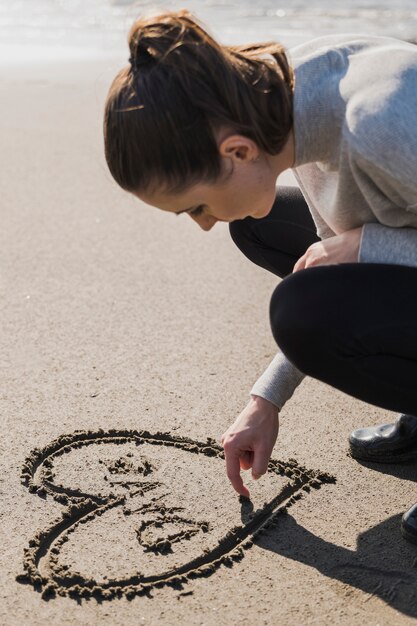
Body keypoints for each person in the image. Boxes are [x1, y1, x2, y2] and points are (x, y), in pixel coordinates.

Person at [103, 10, 417, 542]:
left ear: (238, 151)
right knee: (262, 228)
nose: (203, 225)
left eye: (196, 205)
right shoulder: (286, 103)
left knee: (302, 310)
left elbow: (337, 280)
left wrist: (366, 244)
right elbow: (336, 264)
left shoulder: (380, 124)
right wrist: (264, 401)